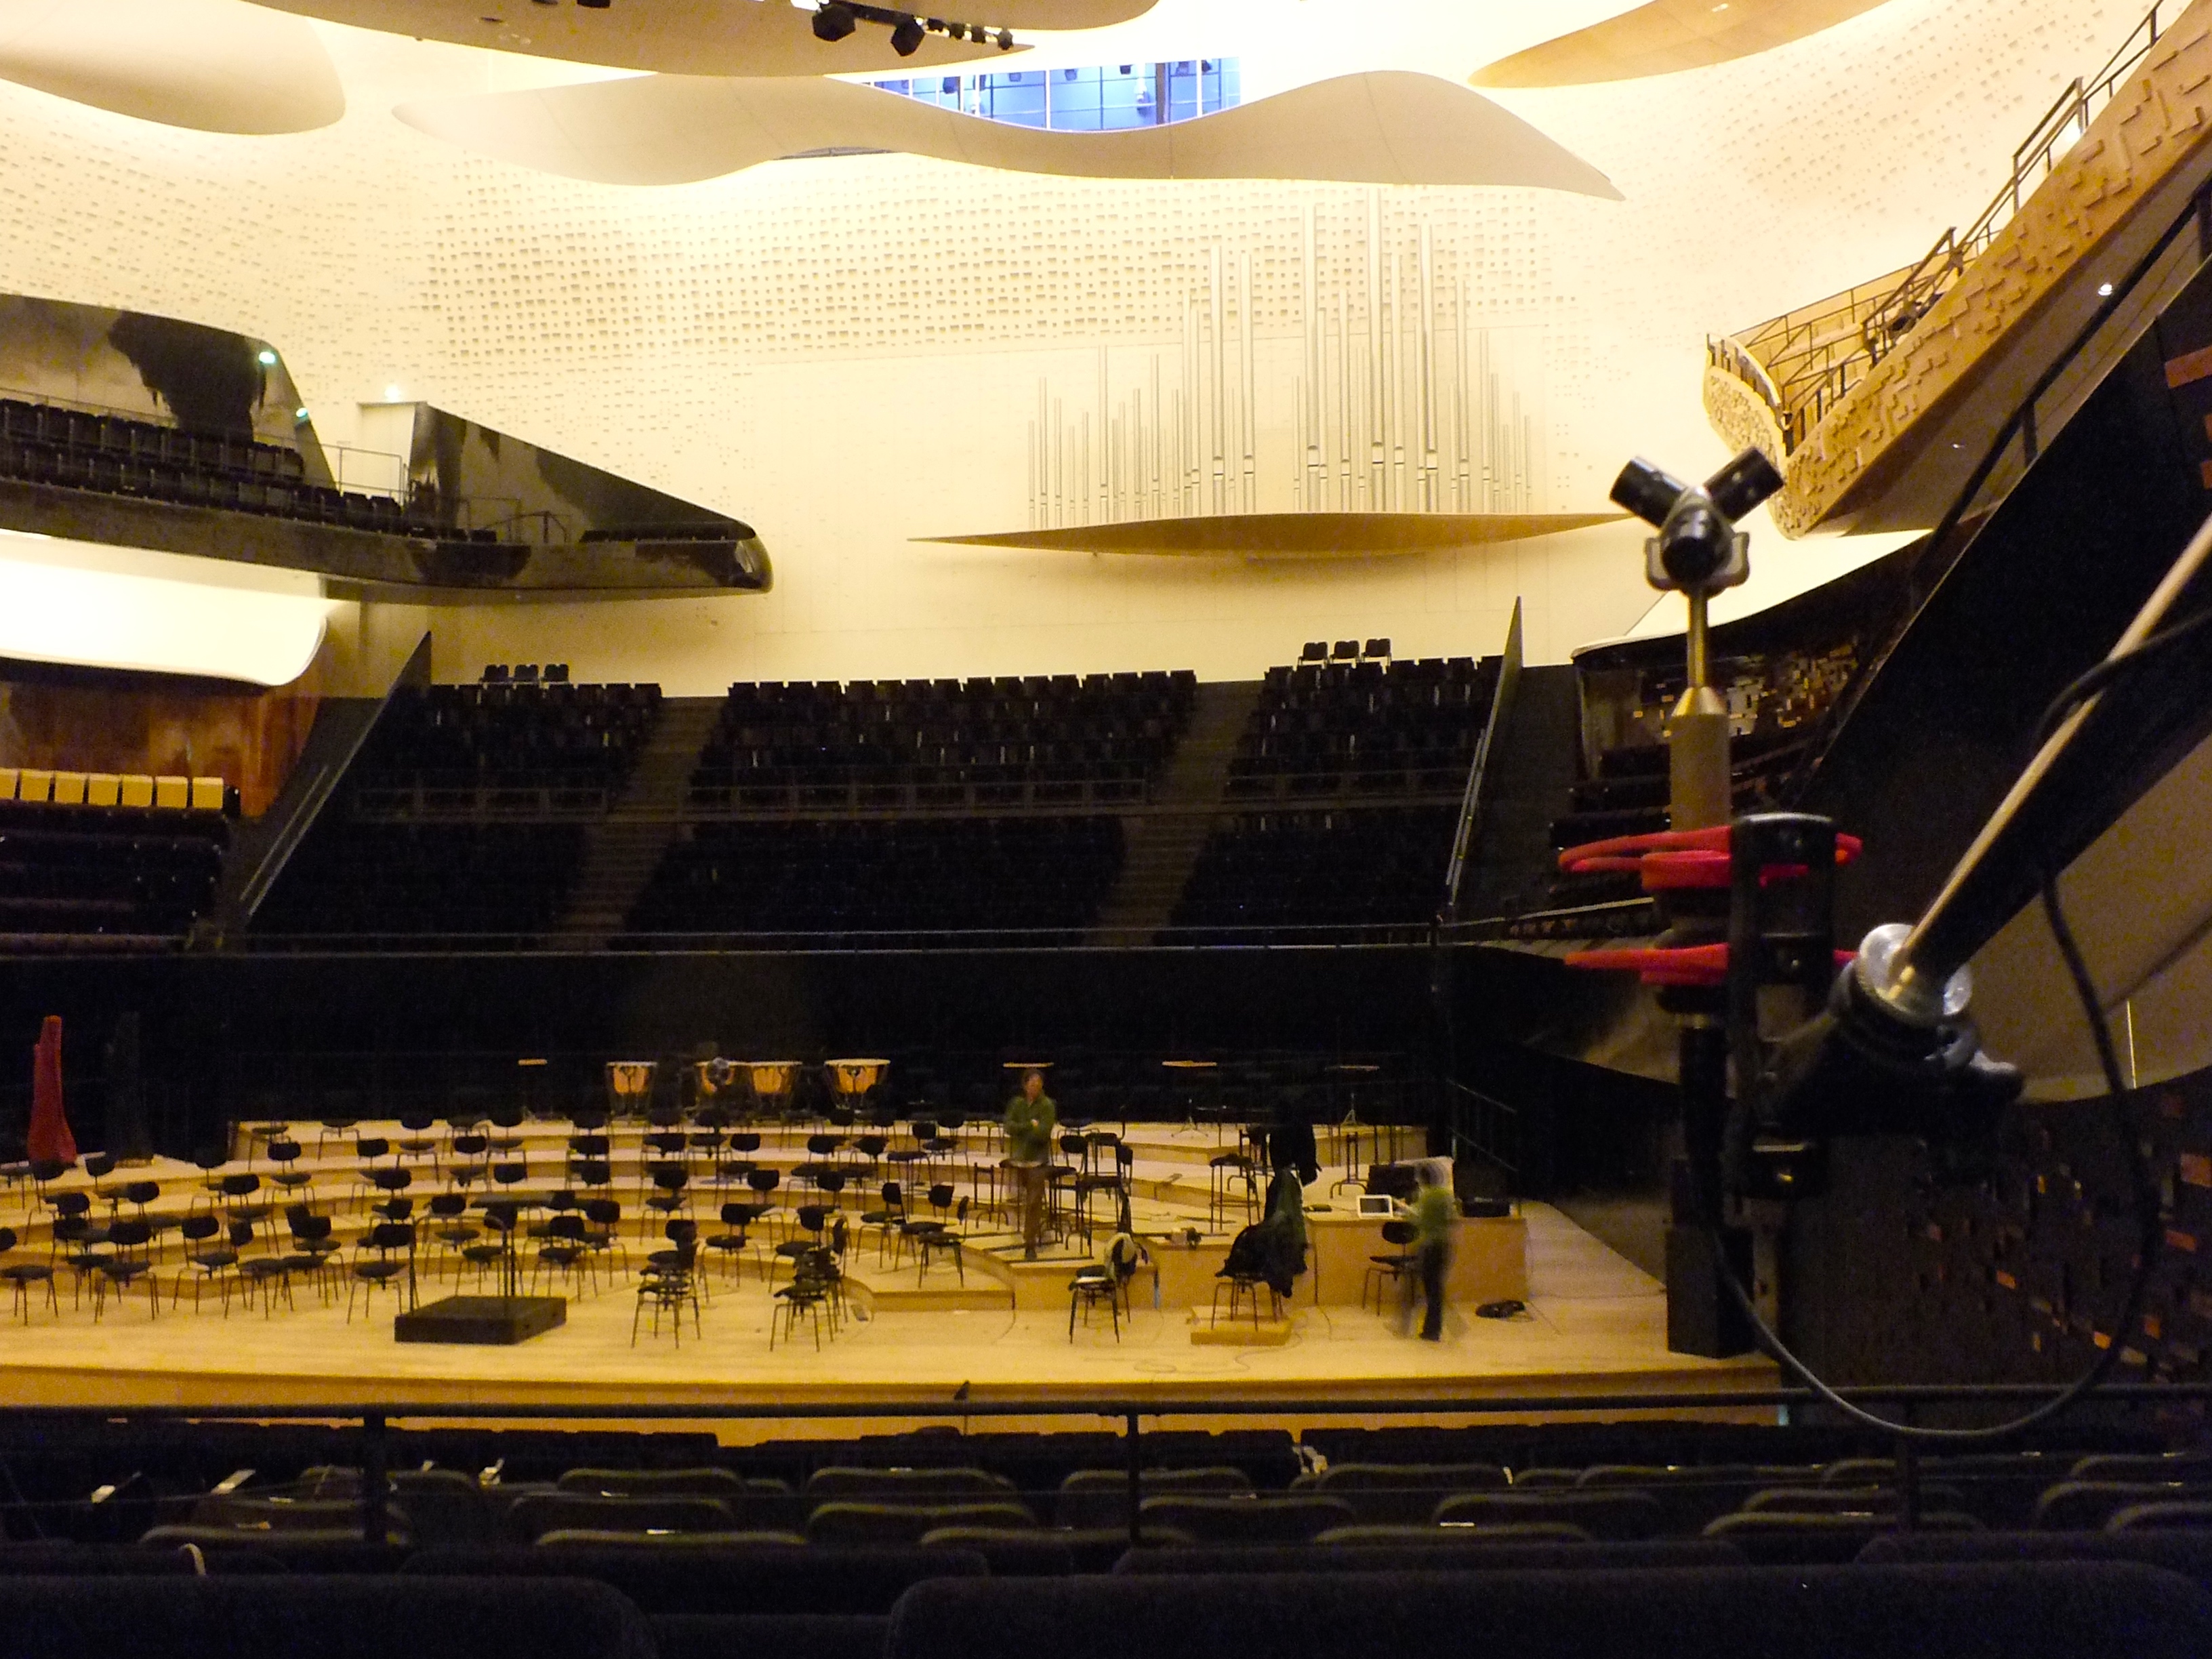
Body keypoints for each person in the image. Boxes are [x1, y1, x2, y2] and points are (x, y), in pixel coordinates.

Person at [1002, 1067, 1057, 1260]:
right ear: (1025, 1086)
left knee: (1034, 1203)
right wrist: (1028, 1125)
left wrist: (1022, 1129)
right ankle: (1028, 1234)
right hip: (1018, 1160)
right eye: (1032, 1083)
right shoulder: (1016, 1104)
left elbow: (1042, 1133)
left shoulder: (1048, 1105)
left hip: (1037, 1162)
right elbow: (1008, 1127)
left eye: (1039, 1084)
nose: (1035, 1087)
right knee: (1019, 1201)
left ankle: (1030, 1244)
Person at [1408, 1156, 1455, 1341]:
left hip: (1428, 1246)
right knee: (1437, 1288)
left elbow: (1419, 1221)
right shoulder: (1445, 1196)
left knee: (1430, 1290)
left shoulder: (1425, 1196)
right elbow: (1451, 1219)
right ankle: (1434, 1327)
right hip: (1444, 1244)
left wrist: (1409, 1212)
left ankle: (1431, 1329)